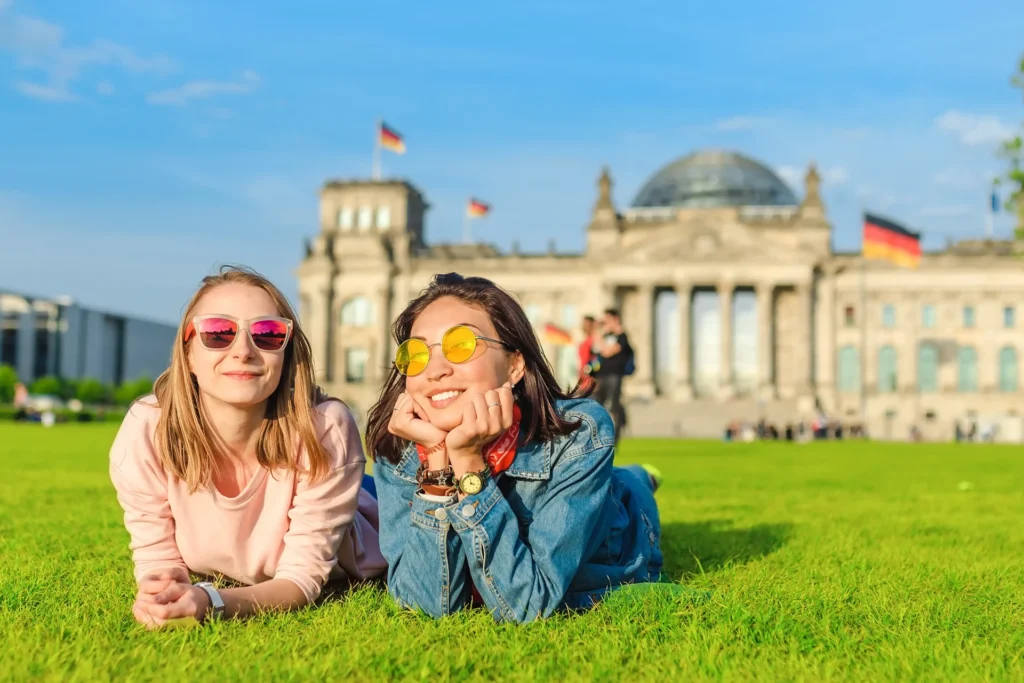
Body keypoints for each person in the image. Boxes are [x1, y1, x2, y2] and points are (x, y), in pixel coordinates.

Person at [366, 272, 663, 624]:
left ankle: (640, 477)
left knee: (628, 485)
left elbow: (524, 604)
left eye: (460, 346)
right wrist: (437, 467)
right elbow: (425, 605)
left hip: (621, 521)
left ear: (513, 366)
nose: (436, 370)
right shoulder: (399, 446)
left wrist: (468, 463)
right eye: (415, 354)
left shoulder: (578, 433)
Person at [108, 266, 385, 629]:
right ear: (188, 353)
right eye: (218, 333)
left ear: (286, 353)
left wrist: (212, 601)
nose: (243, 351)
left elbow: (301, 579)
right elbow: (157, 560)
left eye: (268, 334)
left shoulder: (324, 428)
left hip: (360, 503)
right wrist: (163, 592)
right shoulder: (147, 428)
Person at [591, 308, 632, 441]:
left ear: (615, 319)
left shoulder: (622, 337)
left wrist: (603, 342)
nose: (605, 323)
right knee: (597, 405)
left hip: (614, 375)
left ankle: (615, 436)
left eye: (607, 320)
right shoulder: (604, 336)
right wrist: (599, 332)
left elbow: (608, 351)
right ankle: (598, 435)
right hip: (601, 375)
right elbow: (596, 349)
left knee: (613, 406)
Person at [577, 315, 599, 390]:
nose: (585, 327)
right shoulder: (584, 341)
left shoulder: (594, 340)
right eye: (584, 324)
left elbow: (596, 359)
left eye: (588, 324)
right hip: (583, 378)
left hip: (591, 378)